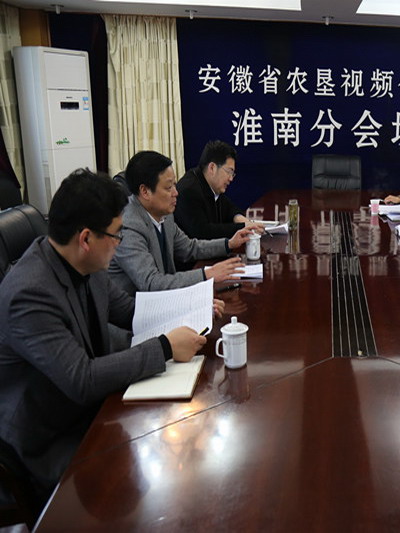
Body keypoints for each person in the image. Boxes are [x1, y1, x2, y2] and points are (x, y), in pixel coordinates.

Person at [0, 169, 212, 511]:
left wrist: (193, 308)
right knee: (150, 481)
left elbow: (130, 311)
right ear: (86, 238)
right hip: (47, 435)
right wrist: (165, 346)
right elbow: (82, 379)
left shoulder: (83, 262)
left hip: (90, 408)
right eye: (117, 235)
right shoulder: (29, 294)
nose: (120, 243)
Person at [109, 150, 251, 296]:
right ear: (145, 191)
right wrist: (207, 274)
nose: (176, 193)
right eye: (168, 187)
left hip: (167, 298)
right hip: (137, 307)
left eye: (175, 185)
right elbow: (151, 283)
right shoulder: (127, 227)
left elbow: (189, 248)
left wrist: (229, 244)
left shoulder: (165, 214)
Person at [174, 140, 262, 239]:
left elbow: (229, 208)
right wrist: (243, 227)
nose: (231, 178)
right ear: (212, 168)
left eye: (232, 174)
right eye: (229, 172)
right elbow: (203, 233)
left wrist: (239, 218)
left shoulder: (211, 185)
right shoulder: (188, 190)